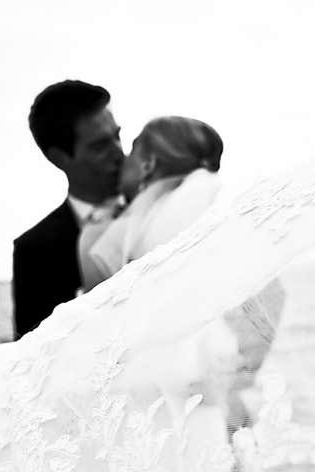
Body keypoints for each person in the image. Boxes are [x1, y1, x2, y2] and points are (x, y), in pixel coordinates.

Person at [84, 116, 286, 432]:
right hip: (209, 396)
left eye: (133, 152)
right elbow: (274, 295)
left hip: (143, 403)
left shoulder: (107, 237)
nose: (124, 162)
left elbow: (99, 337)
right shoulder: (221, 228)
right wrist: (240, 375)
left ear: (148, 164)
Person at [11, 80, 125, 340]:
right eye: (99, 146)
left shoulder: (165, 209)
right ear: (59, 158)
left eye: (117, 136)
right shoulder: (34, 251)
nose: (118, 152)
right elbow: (33, 363)